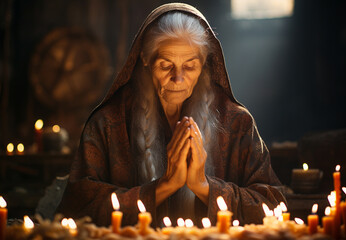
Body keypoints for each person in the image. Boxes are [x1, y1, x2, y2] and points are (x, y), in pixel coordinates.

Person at [57, 3, 285, 227]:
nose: (178, 79)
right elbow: (76, 209)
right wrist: (163, 187)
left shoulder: (236, 122)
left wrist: (204, 186)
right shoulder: (107, 123)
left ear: (204, 62)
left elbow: (274, 205)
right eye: (165, 66)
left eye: (190, 66)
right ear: (145, 59)